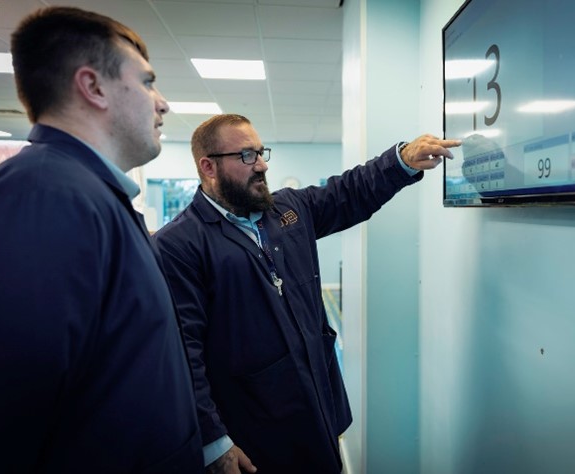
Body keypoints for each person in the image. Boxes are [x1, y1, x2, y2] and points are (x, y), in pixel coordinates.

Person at [152, 113, 460, 473]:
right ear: (208, 167)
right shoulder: (178, 245)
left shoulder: (288, 210)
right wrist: (214, 443)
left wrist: (400, 162)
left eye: (261, 152)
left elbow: (350, 191)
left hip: (317, 403)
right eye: (247, 156)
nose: (262, 165)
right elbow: (182, 353)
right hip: (252, 428)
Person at [0, 7, 203, 473]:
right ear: (93, 87)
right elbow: (11, 408)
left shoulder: (91, 195)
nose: (162, 102)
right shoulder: (45, 195)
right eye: (147, 83)